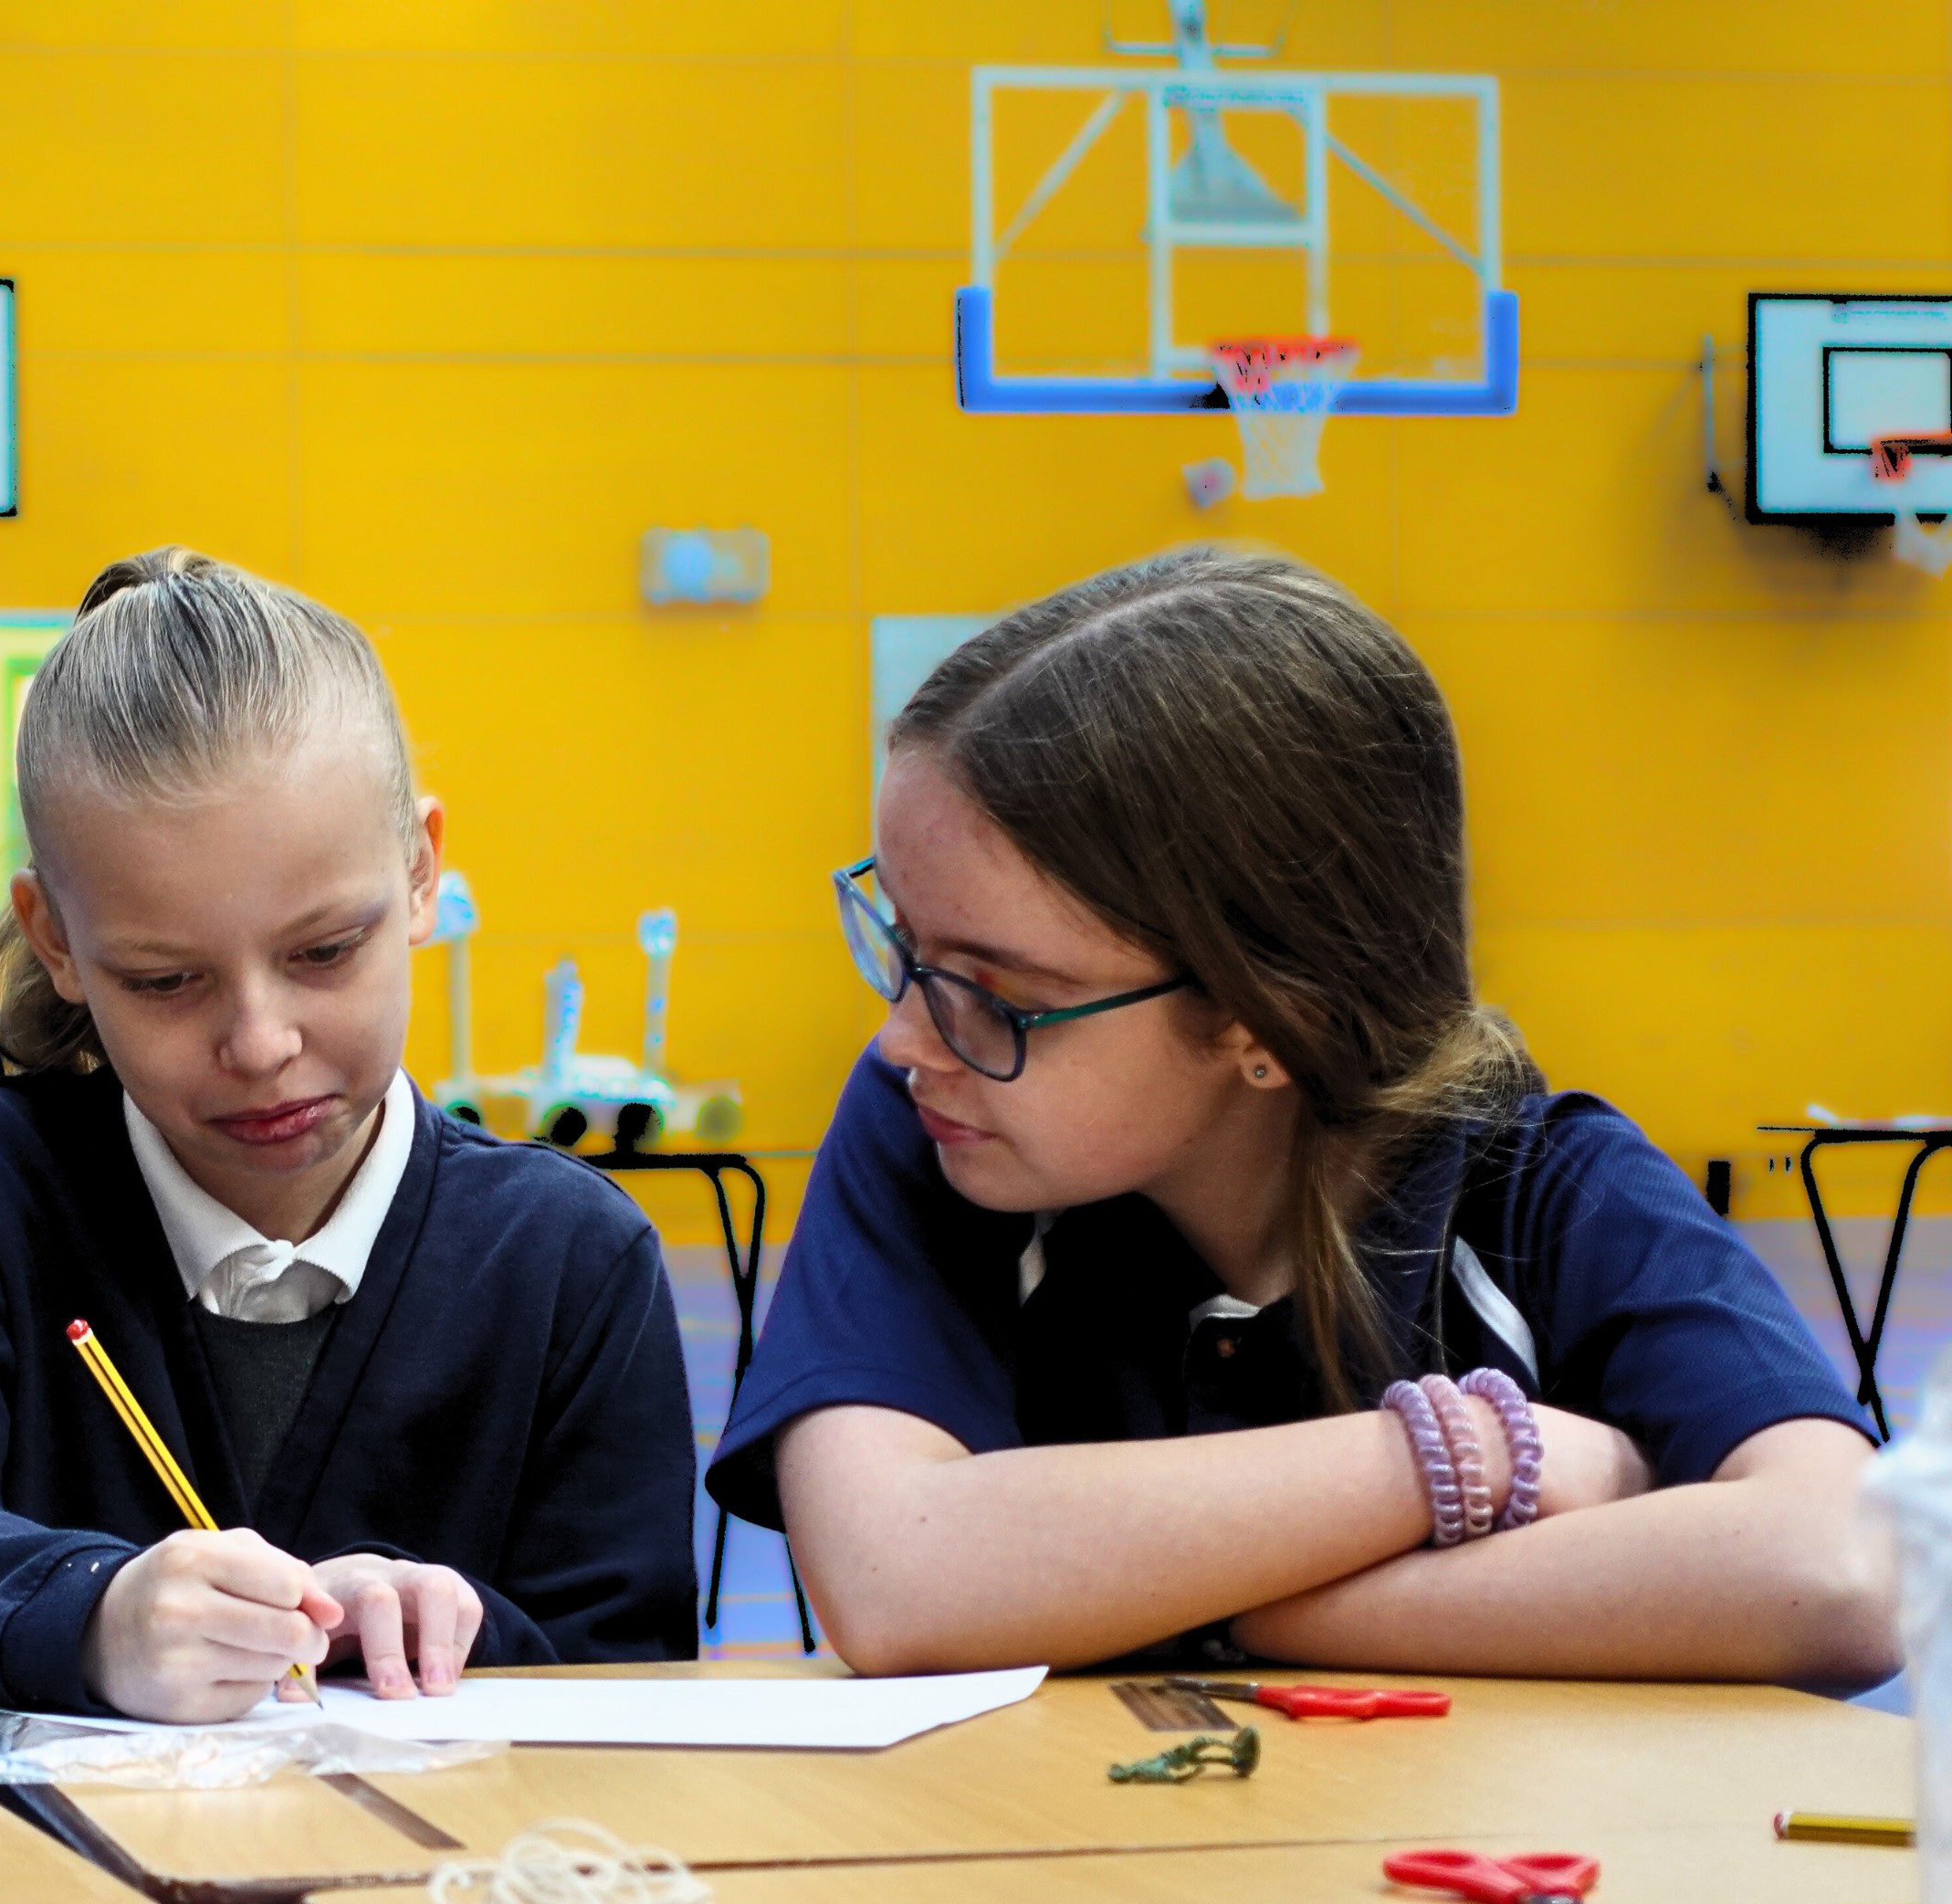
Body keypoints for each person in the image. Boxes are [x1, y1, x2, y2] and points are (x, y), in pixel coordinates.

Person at [710, 546, 1896, 1688]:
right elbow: (898, 1579)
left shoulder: (1543, 1195)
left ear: (1268, 1022)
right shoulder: (939, 1130)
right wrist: (1452, 1461)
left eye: (998, 994)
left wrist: (1209, 1612)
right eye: (901, 950)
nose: (902, 1039)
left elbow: (1843, 1571)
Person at [0, 547, 698, 1728]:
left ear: (418, 871)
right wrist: (97, 1615)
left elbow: (635, 1675)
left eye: (322, 953)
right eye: (163, 980)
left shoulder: (569, 1256)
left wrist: (420, 1629)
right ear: (53, 939)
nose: (258, 1043)